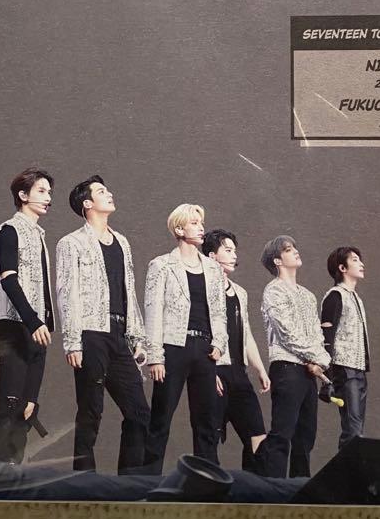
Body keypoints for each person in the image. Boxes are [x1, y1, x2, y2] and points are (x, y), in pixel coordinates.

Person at [56, 175, 151, 473]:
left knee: (139, 412)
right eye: (101, 191)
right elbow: (67, 293)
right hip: (90, 332)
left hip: (120, 334)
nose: (109, 194)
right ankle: (84, 480)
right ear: (87, 204)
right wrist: (72, 342)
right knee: (91, 411)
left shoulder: (122, 241)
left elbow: (128, 290)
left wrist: (137, 337)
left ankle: (128, 481)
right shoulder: (71, 243)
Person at [143, 204, 228, 472]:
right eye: (194, 223)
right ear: (179, 229)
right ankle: (147, 482)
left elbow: (219, 311)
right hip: (173, 347)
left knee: (206, 422)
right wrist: (155, 356)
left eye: (200, 223)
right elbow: (153, 311)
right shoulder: (162, 265)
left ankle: (207, 481)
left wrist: (219, 343)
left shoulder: (213, 269)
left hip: (205, 349)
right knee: (161, 419)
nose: (201, 228)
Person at [0, 168, 55, 464]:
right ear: (23, 195)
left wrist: (44, 321)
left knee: (27, 405)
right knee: (10, 400)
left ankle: (12, 470)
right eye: (41, 191)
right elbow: (8, 279)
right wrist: (33, 320)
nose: (48, 198)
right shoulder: (10, 229)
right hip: (16, 324)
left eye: (49, 192)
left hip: (38, 327)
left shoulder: (39, 234)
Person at [253, 235, 331, 478]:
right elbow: (287, 333)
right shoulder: (274, 290)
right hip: (287, 368)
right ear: (277, 260)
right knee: (282, 433)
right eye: (288, 250)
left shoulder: (308, 295)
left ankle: (300, 488)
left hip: (308, 370)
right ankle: (273, 489)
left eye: (294, 248)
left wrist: (318, 361)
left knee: (305, 437)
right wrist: (321, 359)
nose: (296, 251)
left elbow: (316, 333)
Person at [202, 228, 269, 470]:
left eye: (234, 251)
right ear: (212, 256)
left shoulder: (240, 292)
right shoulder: (202, 289)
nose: (234, 255)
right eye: (228, 250)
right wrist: (208, 372)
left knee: (257, 436)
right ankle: (209, 488)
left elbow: (246, 332)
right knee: (209, 438)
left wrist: (260, 369)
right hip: (215, 371)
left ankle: (254, 488)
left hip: (239, 373)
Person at [320, 246, 370, 449]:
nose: (361, 263)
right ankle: (347, 468)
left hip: (358, 369)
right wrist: (327, 375)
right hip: (344, 368)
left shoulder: (356, 297)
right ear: (342, 268)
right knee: (352, 429)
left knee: (356, 428)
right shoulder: (335, 295)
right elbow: (327, 335)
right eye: (355, 260)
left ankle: (352, 466)